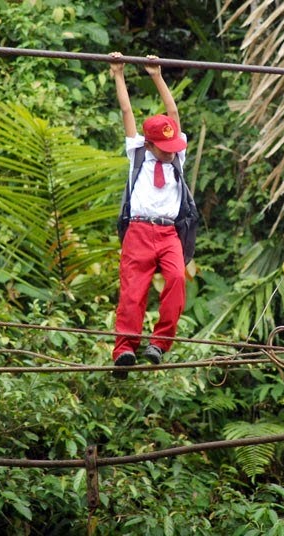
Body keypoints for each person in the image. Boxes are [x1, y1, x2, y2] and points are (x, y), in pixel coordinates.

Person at [108, 52, 199, 379]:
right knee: (133, 290)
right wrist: (119, 74)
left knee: (176, 279)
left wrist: (156, 74)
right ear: (150, 145)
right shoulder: (137, 154)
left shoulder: (178, 157)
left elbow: (172, 112)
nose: (172, 149)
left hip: (168, 234)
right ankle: (125, 350)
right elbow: (127, 110)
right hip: (139, 231)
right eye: (165, 146)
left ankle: (160, 343)